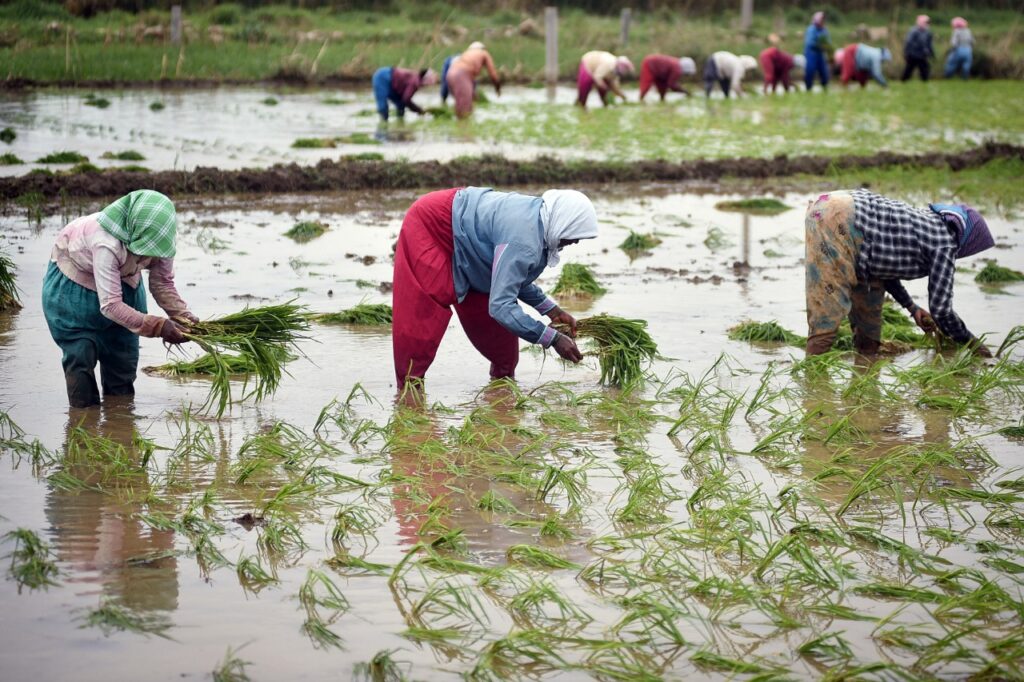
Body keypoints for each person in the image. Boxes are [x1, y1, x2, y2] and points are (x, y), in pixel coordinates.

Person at [392, 186, 598, 390]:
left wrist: (551, 310)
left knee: (504, 353)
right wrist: (552, 339)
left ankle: (501, 400)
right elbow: (500, 306)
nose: (577, 241)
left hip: (474, 247)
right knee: (422, 323)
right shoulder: (524, 240)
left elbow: (514, 276)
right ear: (563, 222)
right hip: (435, 226)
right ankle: (409, 400)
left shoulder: (542, 224)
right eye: (575, 234)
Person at [43, 190, 196, 408]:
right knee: (80, 355)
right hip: (74, 292)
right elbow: (111, 305)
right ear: (133, 230)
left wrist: (184, 317)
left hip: (125, 284)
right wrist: (159, 326)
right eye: (144, 248)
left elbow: (162, 283)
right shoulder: (106, 242)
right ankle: (83, 422)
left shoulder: (162, 239)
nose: (148, 254)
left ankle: (119, 425)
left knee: (122, 361)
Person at [804, 189, 994, 357]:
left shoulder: (927, 224)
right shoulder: (945, 244)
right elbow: (941, 311)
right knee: (827, 312)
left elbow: (886, 270)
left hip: (846, 216)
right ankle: (812, 385)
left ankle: (864, 374)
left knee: (869, 335)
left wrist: (913, 308)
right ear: (968, 240)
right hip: (838, 217)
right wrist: (973, 344)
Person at [445, 41, 501, 118]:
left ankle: (461, 126)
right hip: (461, 75)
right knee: (465, 111)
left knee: (461, 107)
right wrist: (497, 89)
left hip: (450, 74)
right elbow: (493, 74)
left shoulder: (466, 54)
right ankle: (464, 128)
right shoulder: (484, 53)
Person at [372, 66, 439, 122]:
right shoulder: (415, 82)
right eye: (431, 81)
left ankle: (400, 125)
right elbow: (406, 99)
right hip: (382, 77)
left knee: (401, 106)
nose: (431, 84)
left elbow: (404, 100)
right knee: (383, 107)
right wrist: (419, 110)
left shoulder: (416, 79)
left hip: (394, 84)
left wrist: (418, 110)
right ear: (426, 79)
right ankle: (383, 128)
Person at [803, 11, 833, 91]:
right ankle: (808, 88)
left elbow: (828, 42)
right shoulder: (811, 29)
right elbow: (809, 42)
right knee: (810, 70)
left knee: (824, 71)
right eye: (821, 19)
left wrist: (827, 48)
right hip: (811, 53)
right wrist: (819, 44)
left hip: (820, 53)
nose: (823, 21)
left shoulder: (824, 30)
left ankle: (825, 87)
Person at [902, 15, 935, 81]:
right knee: (909, 68)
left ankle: (925, 80)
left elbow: (929, 44)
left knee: (924, 68)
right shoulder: (914, 31)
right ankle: (904, 80)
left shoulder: (928, 32)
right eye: (926, 23)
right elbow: (908, 42)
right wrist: (906, 52)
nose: (927, 24)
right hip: (913, 54)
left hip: (922, 55)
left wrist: (932, 53)